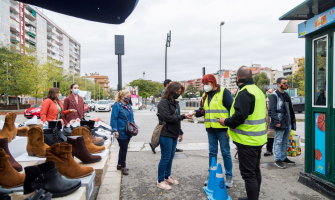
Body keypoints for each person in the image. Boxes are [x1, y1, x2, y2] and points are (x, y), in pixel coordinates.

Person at [217, 66, 267, 200]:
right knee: (255, 170)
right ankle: (253, 197)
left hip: (248, 140)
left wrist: (225, 122)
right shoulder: (258, 91)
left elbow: (240, 116)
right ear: (251, 77)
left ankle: (252, 198)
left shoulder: (244, 92)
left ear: (237, 78)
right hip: (258, 138)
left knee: (248, 174)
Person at [192, 74, 234, 187]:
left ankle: (229, 177)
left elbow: (232, 109)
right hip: (210, 128)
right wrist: (195, 112)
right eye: (204, 84)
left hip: (222, 128)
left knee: (225, 152)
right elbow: (203, 110)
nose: (205, 86)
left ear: (213, 82)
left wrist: (230, 127)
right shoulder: (205, 95)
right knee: (212, 153)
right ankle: (211, 175)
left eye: (207, 84)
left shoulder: (224, 92)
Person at [156, 82, 192, 190]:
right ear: (171, 91)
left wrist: (180, 132)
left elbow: (177, 120)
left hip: (174, 134)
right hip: (165, 133)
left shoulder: (175, 103)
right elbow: (167, 118)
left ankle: (167, 177)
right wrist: (183, 116)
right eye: (177, 92)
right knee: (165, 157)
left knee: (171, 157)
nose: (178, 94)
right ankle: (160, 180)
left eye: (180, 92)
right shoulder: (163, 102)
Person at [268, 78, 296, 169]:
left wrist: (292, 122)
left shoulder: (286, 95)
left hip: (287, 122)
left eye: (286, 83)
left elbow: (290, 109)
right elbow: (272, 110)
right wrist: (276, 121)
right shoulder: (274, 95)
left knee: (285, 141)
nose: (286, 85)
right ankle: (278, 159)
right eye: (284, 83)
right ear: (278, 84)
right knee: (278, 141)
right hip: (279, 122)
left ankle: (283, 157)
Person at [110, 90, 135, 175]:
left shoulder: (128, 105)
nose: (128, 98)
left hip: (128, 130)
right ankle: (123, 167)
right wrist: (115, 130)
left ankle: (119, 164)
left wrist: (133, 125)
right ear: (122, 96)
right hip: (121, 131)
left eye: (129, 96)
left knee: (123, 148)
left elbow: (131, 117)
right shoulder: (117, 105)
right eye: (127, 96)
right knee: (124, 148)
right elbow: (113, 118)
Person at [264, 88, 275, 156]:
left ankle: (269, 150)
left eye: (270, 92)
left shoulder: (274, 100)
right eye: (268, 92)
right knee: (267, 136)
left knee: (270, 136)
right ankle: (268, 150)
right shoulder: (265, 100)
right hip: (265, 121)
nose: (268, 93)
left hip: (271, 120)